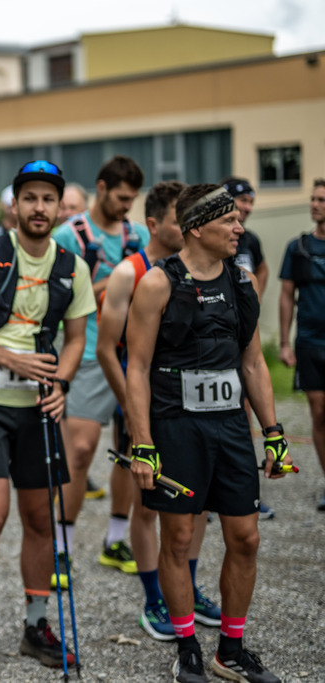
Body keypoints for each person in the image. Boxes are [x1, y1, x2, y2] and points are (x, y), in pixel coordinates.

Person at [126, 183, 291, 683]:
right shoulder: (158, 283)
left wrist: (274, 432)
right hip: (176, 428)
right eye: (230, 220)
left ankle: (232, 649)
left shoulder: (243, 282)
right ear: (198, 227)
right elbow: (137, 366)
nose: (240, 227)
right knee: (177, 538)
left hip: (229, 428)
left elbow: (253, 361)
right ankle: (187, 648)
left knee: (246, 536)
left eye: (239, 220)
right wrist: (143, 444)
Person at [0, 160, 94, 669]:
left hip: (38, 406)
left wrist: (61, 382)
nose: (39, 207)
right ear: (15, 204)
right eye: (29, 197)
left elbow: (77, 339)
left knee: (41, 516)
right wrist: (8, 358)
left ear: (59, 207)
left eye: (48, 199)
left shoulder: (72, 267)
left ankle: (37, 625)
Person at [95, 181, 220, 641]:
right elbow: (108, 349)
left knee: (197, 502)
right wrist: (131, 408)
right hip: (144, 405)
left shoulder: (199, 269)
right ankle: (154, 597)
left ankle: (184, 587)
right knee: (148, 508)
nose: (190, 226)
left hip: (188, 406)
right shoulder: (131, 273)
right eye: (178, 218)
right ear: (155, 224)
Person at [52, 155, 149, 585]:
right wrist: (110, 285)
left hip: (134, 354)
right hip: (88, 351)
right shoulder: (68, 236)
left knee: (131, 448)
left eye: (133, 200)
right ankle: (61, 547)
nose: (127, 207)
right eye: (121, 198)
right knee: (81, 448)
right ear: (102, 187)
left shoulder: (139, 235)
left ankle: (115, 540)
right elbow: (56, 300)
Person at [222, 177, 274, 520]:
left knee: (244, 411)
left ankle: (244, 489)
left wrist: (253, 300)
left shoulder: (250, 239)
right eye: (241, 202)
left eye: (250, 202)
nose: (247, 209)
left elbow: (262, 268)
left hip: (242, 334)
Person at [279, 178, 325, 512]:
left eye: (321, 200)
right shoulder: (298, 247)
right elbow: (286, 295)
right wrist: (284, 342)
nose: (315, 204)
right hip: (309, 342)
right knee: (319, 414)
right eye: (313, 199)